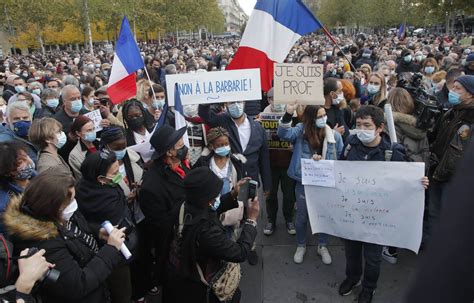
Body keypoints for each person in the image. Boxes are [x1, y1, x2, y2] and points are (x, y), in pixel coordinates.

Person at [337, 105, 428, 303]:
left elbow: (405, 180)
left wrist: (419, 182)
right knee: (351, 251)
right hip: (352, 212)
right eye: (359, 124)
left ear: (380, 128)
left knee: (373, 257)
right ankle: (352, 278)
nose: (362, 129)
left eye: (367, 125)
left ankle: (368, 289)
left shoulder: (393, 152)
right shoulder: (351, 144)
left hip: (377, 216)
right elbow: (339, 169)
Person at [4, 170, 127, 303]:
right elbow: (77, 285)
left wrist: (97, 231)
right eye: (72, 199)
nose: (75, 202)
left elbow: (75, 229)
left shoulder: (59, 214)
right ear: (55, 206)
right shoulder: (43, 243)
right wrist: (111, 249)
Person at [163, 167, 259, 303]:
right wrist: (251, 220)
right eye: (215, 194)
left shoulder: (184, 205)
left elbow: (207, 210)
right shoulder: (207, 231)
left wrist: (232, 194)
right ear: (206, 198)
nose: (217, 197)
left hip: (179, 278)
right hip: (200, 290)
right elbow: (240, 253)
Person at [198, 100, 271, 265]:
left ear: (244, 102)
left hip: (251, 180)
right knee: (228, 213)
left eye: (238, 102)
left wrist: (267, 184)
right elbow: (204, 115)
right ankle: (228, 246)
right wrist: (207, 99)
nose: (236, 105)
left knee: (250, 213)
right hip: (232, 179)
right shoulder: (222, 120)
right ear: (226, 104)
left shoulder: (258, 127)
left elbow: (264, 158)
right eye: (232, 102)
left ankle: (249, 245)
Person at [278, 104, 343, 265]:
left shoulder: (334, 136)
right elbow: (284, 134)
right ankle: (301, 245)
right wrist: (288, 113)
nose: (323, 119)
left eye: (324, 115)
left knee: (324, 215)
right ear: (311, 118)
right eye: (319, 116)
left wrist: (324, 163)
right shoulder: (301, 131)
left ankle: (322, 245)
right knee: (301, 217)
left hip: (325, 183)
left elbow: (339, 157)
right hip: (304, 182)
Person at [75, 151, 137, 303]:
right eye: (115, 173)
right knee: (122, 293)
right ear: (101, 179)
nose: (119, 176)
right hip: (116, 255)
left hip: (100, 250)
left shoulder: (83, 186)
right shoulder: (106, 201)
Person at [382, 88, 430, 264]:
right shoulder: (419, 127)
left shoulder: (388, 126)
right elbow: (426, 152)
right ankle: (397, 246)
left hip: (396, 176)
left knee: (389, 212)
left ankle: (389, 247)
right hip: (417, 176)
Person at [138, 125, 190, 290]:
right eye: (180, 145)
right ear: (169, 152)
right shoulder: (152, 187)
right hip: (173, 246)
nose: (185, 148)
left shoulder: (180, 165)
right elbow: (160, 226)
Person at [427, 75, 474, 243]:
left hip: (455, 177)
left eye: (458, 89)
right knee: (433, 213)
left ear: (471, 94)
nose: (452, 91)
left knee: (449, 217)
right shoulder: (450, 112)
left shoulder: (470, 119)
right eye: (453, 87)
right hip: (438, 169)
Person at [261, 88, 296, 235]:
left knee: (289, 195)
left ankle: (289, 220)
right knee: (271, 194)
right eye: (275, 98)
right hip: (270, 164)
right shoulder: (262, 116)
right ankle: (271, 220)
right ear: (269, 100)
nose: (278, 102)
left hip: (288, 163)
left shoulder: (294, 116)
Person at [0, 142, 36, 234]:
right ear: (8, 171)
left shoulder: (36, 177)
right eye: (21, 162)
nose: (29, 161)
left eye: (27, 156)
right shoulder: (6, 203)